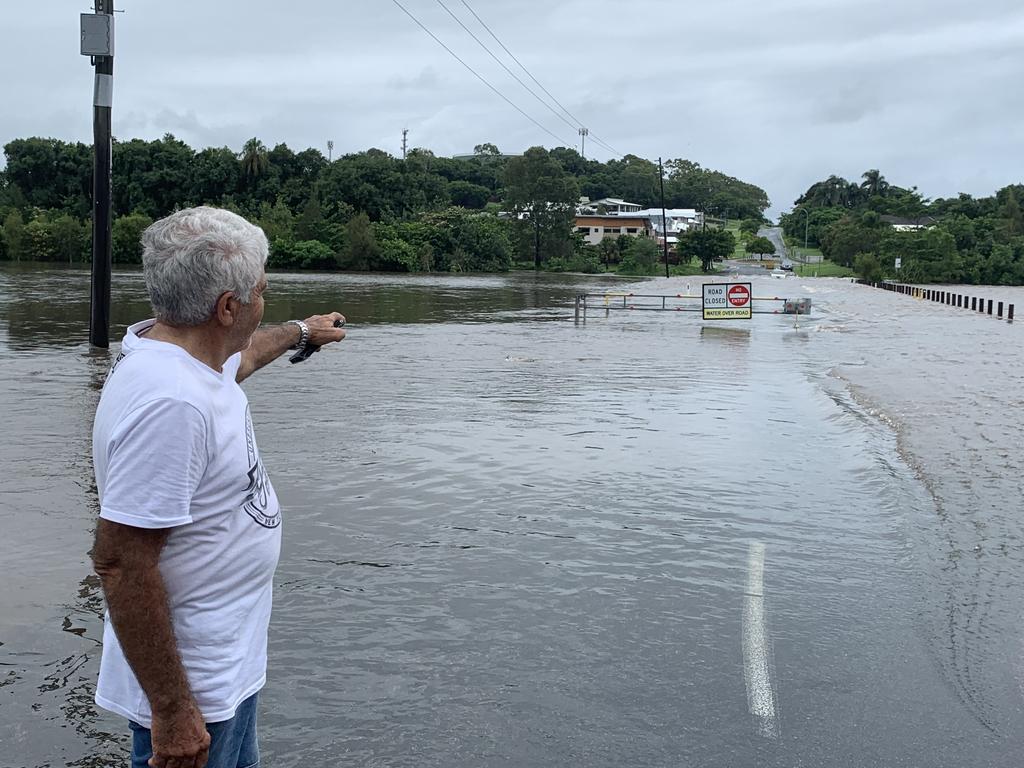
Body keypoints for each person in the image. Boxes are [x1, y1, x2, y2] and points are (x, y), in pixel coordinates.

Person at [91, 206, 345, 768]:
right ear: (228, 307)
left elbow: (246, 356)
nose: (264, 301)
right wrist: (174, 711)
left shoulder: (189, 355)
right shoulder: (171, 403)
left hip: (225, 662)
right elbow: (120, 562)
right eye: (261, 291)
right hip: (195, 684)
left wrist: (303, 332)